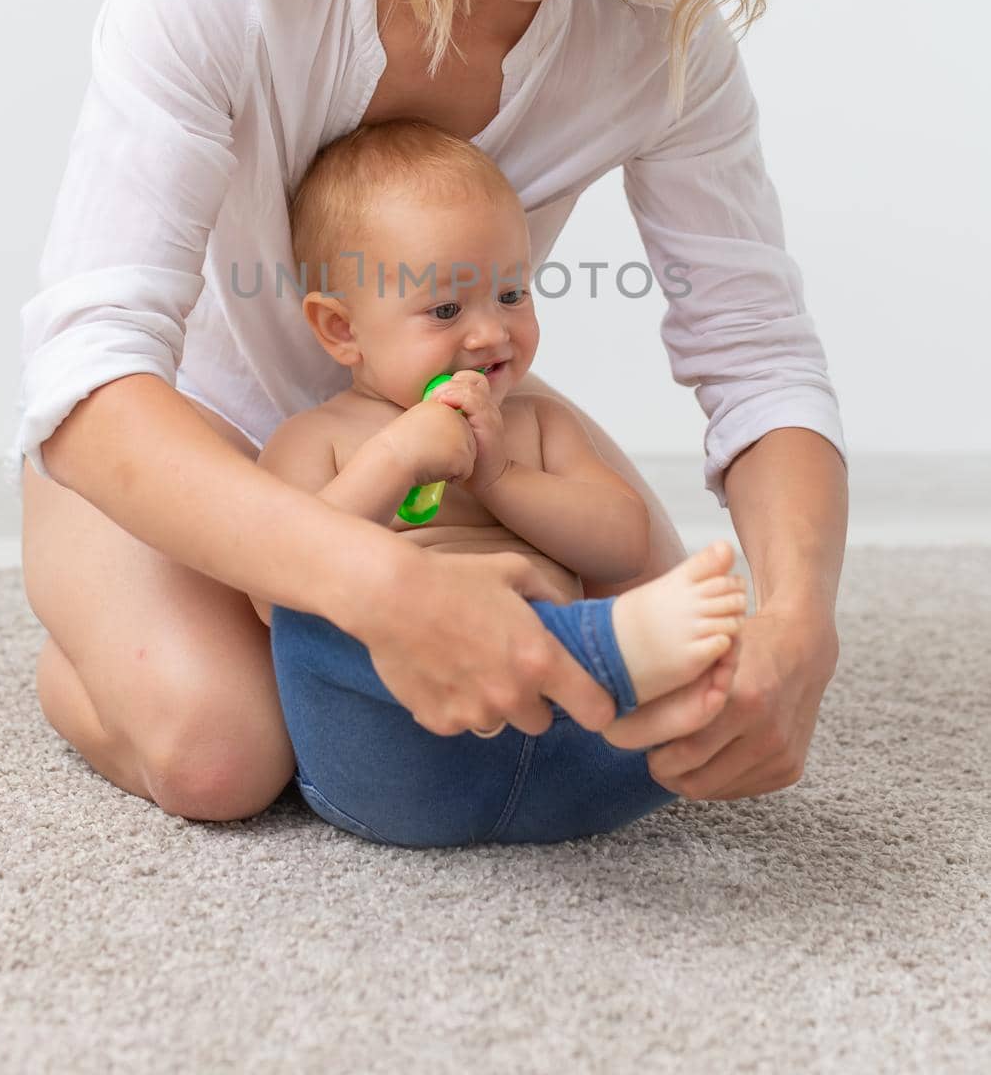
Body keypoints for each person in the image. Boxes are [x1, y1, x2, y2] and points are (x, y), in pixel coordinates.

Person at [12, 0, 847, 824]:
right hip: (182, 459)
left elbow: (753, 347)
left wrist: (797, 616)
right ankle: (91, 654)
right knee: (231, 758)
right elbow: (89, 366)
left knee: (640, 676)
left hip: (442, 467)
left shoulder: (651, 28)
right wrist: (373, 581)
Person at [248, 116, 750, 846]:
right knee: (306, 614)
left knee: (698, 713)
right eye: (445, 309)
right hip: (396, 760)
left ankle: (662, 700)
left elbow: (620, 543)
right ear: (341, 330)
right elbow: (271, 595)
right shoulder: (314, 439)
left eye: (511, 294)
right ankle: (613, 649)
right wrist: (396, 459)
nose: (490, 333)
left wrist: (501, 476)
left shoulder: (538, 428)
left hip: (560, 735)